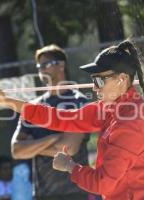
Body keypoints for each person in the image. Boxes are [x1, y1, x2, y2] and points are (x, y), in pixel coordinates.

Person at [0, 40, 144, 200]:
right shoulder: (111, 107)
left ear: (122, 79)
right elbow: (62, 117)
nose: (95, 88)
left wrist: (70, 167)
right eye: (93, 80)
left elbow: (103, 183)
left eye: (99, 81)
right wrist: (8, 101)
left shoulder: (130, 123)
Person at [11, 44, 90, 200]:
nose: (41, 69)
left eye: (46, 64)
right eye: (39, 66)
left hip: (75, 192)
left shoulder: (78, 101)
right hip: (42, 194)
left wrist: (33, 146)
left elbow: (70, 148)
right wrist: (53, 138)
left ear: (61, 65)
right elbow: (16, 151)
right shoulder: (32, 106)